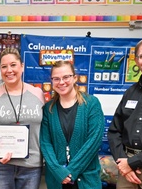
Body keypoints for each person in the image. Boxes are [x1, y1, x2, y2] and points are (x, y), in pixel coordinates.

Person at [0, 47, 45, 189]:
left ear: (22, 67)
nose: (9, 70)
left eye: (13, 65)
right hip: (1, 166)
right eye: (4, 66)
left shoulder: (38, 94)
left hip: (31, 166)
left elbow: (46, 128)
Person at [40, 60, 104, 189]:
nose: (61, 82)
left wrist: (71, 171)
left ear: (75, 78)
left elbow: (94, 141)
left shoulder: (91, 104)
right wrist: (59, 171)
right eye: (56, 79)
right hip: (57, 180)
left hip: (86, 178)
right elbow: (45, 143)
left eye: (66, 77)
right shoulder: (48, 109)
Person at [107, 37, 142, 188]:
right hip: (126, 169)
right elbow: (114, 131)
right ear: (136, 61)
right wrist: (123, 162)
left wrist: (132, 163)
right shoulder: (130, 92)